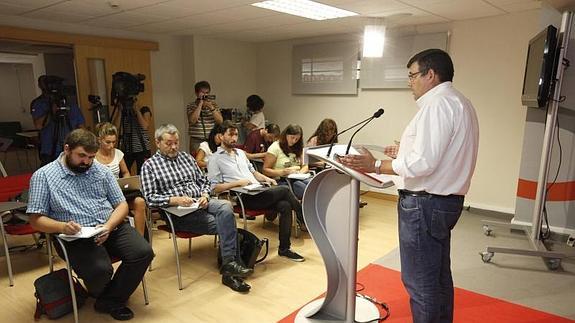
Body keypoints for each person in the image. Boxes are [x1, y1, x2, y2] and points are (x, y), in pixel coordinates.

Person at [339, 49, 479, 323]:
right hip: (445, 202)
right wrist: (406, 151)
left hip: (425, 203)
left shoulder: (437, 105)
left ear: (430, 74)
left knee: (421, 282)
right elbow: (443, 153)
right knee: (438, 277)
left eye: (412, 75)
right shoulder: (460, 102)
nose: (409, 82)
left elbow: (424, 163)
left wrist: (375, 165)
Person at [26, 129, 154, 321]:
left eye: (91, 157)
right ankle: (108, 295)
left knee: (143, 252)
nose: (86, 162)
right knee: (101, 270)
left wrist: (109, 226)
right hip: (74, 236)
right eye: (82, 156)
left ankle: (109, 300)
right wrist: (62, 227)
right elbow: (35, 220)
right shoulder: (43, 176)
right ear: (67, 149)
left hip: (108, 226)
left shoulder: (100, 171)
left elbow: (121, 205)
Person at [140, 124, 253, 293]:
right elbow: (149, 198)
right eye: (169, 143)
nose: (174, 147)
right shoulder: (149, 166)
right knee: (226, 224)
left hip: (199, 201)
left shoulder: (186, 158)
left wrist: (205, 195)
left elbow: (205, 182)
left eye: (176, 142)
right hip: (178, 212)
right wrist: (174, 199)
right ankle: (230, 271)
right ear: (157, 142)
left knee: (226, 207)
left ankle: (229, 266)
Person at [208, 121, 305, 262]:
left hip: (258, 191)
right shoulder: (215, 159)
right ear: (221, 136)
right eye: (230, 134)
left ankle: (284, 248)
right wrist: (238, 183)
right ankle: (305, 218)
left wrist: (267, 178)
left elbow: (254, 172)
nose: (234, 138)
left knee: (285, 205)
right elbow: (214, 188)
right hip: (244, 197)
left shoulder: (241, 153)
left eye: (236, 134)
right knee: (284, 190)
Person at [94, 122, 147, 236]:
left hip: (119, 192)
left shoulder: (118, 153)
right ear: (99, 140)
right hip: (103, 195)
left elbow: (125, 172)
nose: (111, 145)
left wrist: (126, 181)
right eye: (108, 142)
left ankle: (140, 239)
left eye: (114, 142)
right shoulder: (93, 157)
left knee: (140, 202)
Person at [30, 75, 85, 166]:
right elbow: (38, 125)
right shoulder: (40, 103)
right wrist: (52, 111)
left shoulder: (71, 105)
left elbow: (82, 129)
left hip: (71, 150)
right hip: (49, 150)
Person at [262, 124, 311, 201]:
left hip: (297, 177)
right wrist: (282, 172)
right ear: (286, 135)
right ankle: (303, 211)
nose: (294, 141)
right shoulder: (275, 147)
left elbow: (305, 166)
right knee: (306, 191)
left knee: (314, 186)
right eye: (292, 138)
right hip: (282, 180)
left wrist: (300, 173)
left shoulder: (298, 147)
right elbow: (265, 170)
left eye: (297, 139)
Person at [112, 100, 152, 175]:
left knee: (143, 173)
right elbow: (114, 127)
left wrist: (136, 110)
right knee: (123, 172)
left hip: (142, 148)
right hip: (128, 148)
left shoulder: (144, 109)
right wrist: (120, 111)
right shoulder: (124, 111)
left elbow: (145, 126)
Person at [187, 81, 223, 153]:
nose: (205, 95)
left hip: (212, 139)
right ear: (197, 93)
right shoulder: (191, 106)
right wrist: (200, 105)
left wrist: (211, 107)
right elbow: (192, 120)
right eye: (202, 92)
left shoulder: (214, 105)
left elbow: (220, 121)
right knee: (197, 161)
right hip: (196, 140)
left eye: (207, 93)